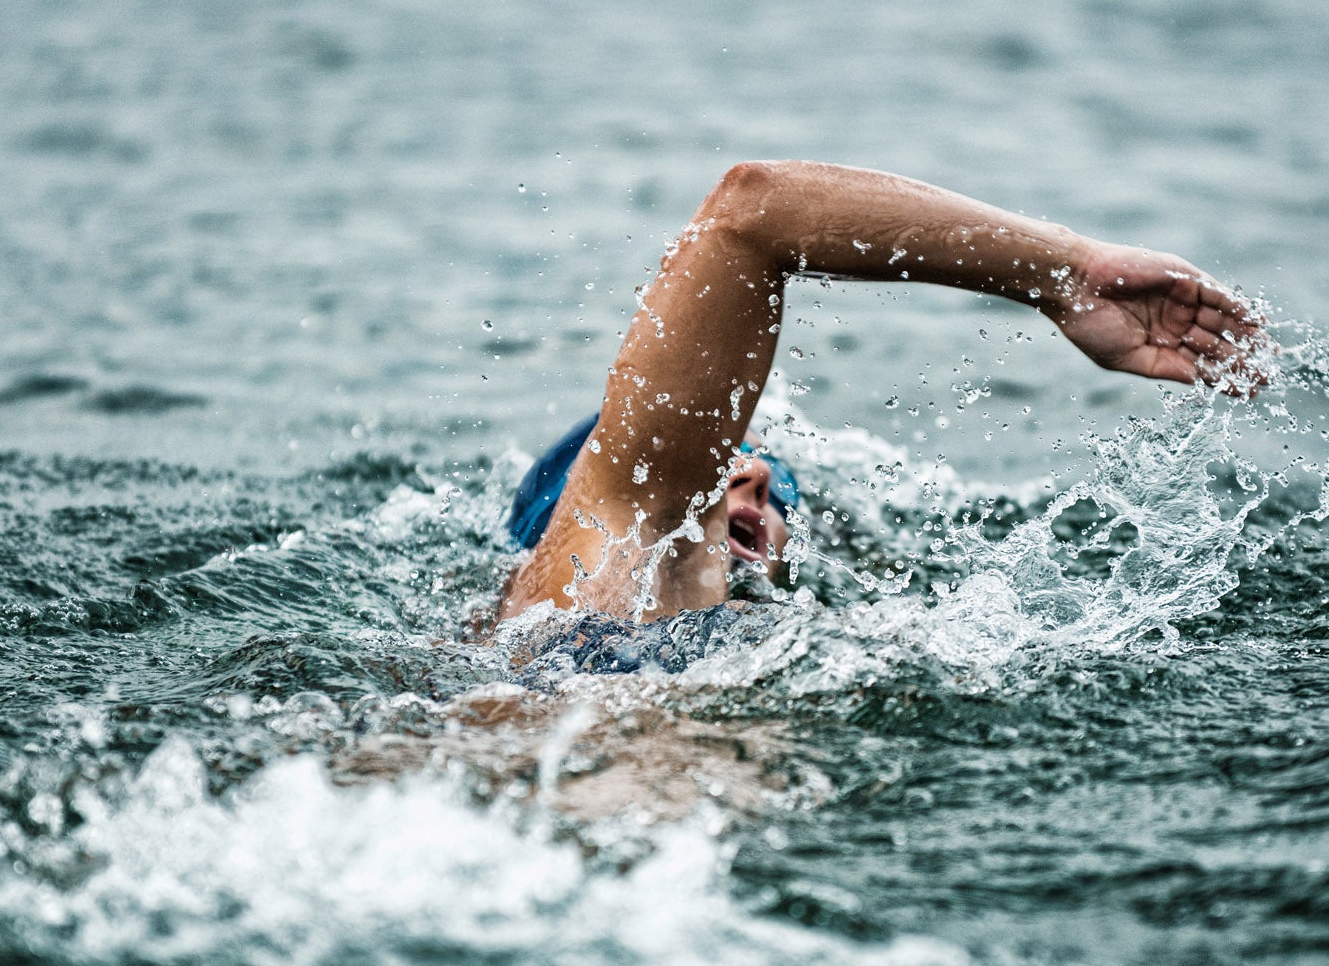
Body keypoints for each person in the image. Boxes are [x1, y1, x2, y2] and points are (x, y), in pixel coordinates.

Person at [499, 160, 1261, 624]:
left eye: (776, 490)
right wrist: (1064, 275)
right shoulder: (608, 552)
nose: (754, 473)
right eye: (713, 464)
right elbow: (752, 209)